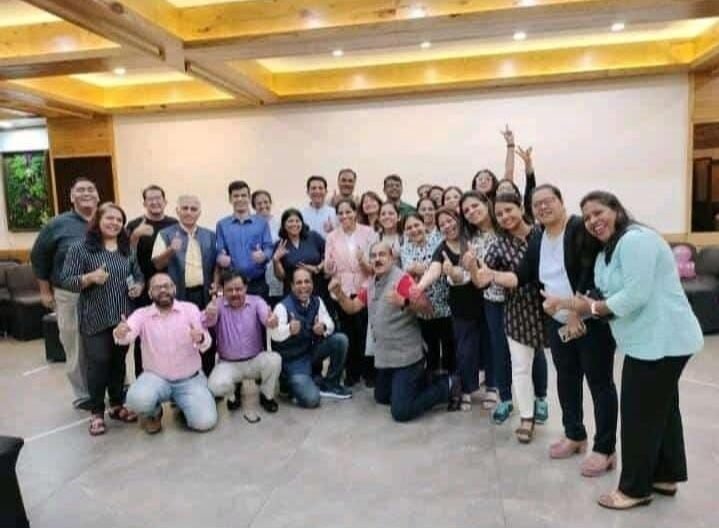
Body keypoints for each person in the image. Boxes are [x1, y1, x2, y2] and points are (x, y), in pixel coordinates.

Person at [543, 191, 703, 510]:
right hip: (650, 342)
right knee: (662, 409)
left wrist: (591, 308)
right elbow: (600, 294)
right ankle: (665, 475)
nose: (593, 221)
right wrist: (569, 304)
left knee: (638, 414)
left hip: (663, 341)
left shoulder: (635, 240)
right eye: (587, 217)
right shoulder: (608, 250)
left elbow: (635, 296)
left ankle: (635, 489)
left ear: (616, 210)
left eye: (598, 212)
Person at [508, 184, 618, 477]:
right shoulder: (538, 237)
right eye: (537, 205)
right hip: (557, 321)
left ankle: (605, 449)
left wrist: (575, 311)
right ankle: (574, 435)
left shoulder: (579, 227)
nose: (543, 207)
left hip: (589, 319)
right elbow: (524, 274)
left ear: (561, 201)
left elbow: (591, 270)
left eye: (548, 201)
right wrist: (490, 275)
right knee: (567, 380)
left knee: (600, 383)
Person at [331, 241, 462, 422]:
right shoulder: (372, 284)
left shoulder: (402, 280)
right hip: (388, 359)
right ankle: (423, 380)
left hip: (408, 358)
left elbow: (427, 307)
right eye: (373, 256)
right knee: (382, 397)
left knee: (401, 412)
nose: (377, 259)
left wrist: (404, 301)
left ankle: (446, 386)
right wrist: (339, 294)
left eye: (382, 255)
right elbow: (352, 307)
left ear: (392, 258)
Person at [469, 193, 549, 441]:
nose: (505, 217)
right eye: (500, 214)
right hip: (517, 310)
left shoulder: (543, 235)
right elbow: (482, 281)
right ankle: (526, 417)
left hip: (550, 308)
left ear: (521, 208)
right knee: (520, 366)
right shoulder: (498, 245)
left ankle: (544, 401)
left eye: (509, 210)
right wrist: (473, 266)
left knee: (546, 359)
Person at [61, 202, 144, 436]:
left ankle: (116, 405)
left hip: (122, 317)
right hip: (94, 317)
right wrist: (88, 278)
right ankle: (97, 412)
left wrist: (138, 287)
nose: (114, 223)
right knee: (98, 363)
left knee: (118, 362)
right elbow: (66, 280)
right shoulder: (81, 248)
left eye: (119, 220)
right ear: (97, 220)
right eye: (109, 218)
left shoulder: (127, 249)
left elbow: (138, 275)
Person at [114, 273, 217, 434]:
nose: (163, 290)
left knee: (205, 422)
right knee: (136, 400)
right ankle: (153, 413)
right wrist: (120, 333)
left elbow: (206, 342)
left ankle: (184, 406)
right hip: (156, 379)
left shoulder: (190, 309)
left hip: (189, 380)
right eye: (157, 287)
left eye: (167, 286)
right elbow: (126, 335)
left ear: (174, 289)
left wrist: (201, 337)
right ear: (150, 293)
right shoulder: (141, 314)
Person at [30, 176, 99, 410]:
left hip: (103, 294)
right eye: (80, 190)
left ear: (98, 196)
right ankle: (84, 394)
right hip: (69, 295)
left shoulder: (107, 220)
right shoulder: (57, 225)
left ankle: (116, 386)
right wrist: (44, 291)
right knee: (74, 344)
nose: (86, 193)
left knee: (108, 342)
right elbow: (38, 257)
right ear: (71, 197)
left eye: (91, 189)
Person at [414, 208, 482, 411]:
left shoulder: (472, 239)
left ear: (458, 220)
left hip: (483, 299)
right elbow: (434, 270)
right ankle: (466, 390)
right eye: (442, 224)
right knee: (464, 351)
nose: (447, 226)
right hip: (461, 305)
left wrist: (460, 270)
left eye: (450, 220)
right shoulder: (442, 248)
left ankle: (493, 389)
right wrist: (418, 288)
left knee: (487, 347)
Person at [151, 195, 218, 377]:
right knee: (181, 338)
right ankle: (184, 379)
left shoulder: (209, 235)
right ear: (177, 211)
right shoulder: (165, 234)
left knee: (207, 337)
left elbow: (216, 265)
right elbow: (157, 264)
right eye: (185, 208)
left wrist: (216, 284)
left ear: (199, 213)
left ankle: (208, 379)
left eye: (193, 209)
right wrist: (171, 250)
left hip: (204, 294)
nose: (189, 212)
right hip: (179, 296)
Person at [269, 268, 352, 407]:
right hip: (293, 362)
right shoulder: (282, 307)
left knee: (340, 340)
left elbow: (330, 324)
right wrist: (289, 329)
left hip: (310, 354)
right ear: (292, 286)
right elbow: (274, 335)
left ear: (312, 284)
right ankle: (287, 385)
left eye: (307, 281)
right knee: (312, 399)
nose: (303, 286)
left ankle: (330, 384)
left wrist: (323, 327)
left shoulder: (317, 301)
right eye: (299, 282)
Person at [204, 271, 282, 416]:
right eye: (229, 290)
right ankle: (233, 395)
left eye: (238, 289)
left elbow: (266, 317)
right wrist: (209, 314)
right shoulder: (217, 305)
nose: (234, 293)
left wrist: (271, 321)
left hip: (254, 360)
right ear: (223, 290)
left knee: (275, 360)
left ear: (245, 288)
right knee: (214, 386)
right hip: (228, 364)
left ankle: (266, 395)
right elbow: (207, 322)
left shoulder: (257, 301)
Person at [126, 185, 178, 376]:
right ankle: (143, 377)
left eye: (158, 198)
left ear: (165, 201)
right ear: (144, 203)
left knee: (172, 332)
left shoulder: (174, 224)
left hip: (170, 287)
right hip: (143, 288)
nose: (155, 202)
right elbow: (125, 256)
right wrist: (135, 236)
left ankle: (172, 375)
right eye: (150, 199)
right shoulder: (134, 225)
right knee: (144, 335)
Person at [324, 198, 376, 386]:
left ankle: (369, 373)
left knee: (365, 332)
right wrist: (329, 266)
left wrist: (363, 261)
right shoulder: (331, 236)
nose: (345, 216)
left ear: (355, 212)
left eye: (348, 211)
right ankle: (352, 372)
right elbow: (328, 268)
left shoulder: (369, 232)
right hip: (342, 289)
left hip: (365, 285)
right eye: (341, 213)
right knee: (348, 332)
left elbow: (374, 265)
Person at [460, 191, 501, 411]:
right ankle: (481, 387)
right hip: (482, 297)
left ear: (487, 203)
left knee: (500, 345)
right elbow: (474, 278)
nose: (471, 212)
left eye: (475, 206)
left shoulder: (504, 228)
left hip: (510, 296)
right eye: (466, 210)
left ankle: (495, 388)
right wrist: (471, 267)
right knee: (480, 344)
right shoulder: (471, 239)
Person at [400, 213, 455, 374]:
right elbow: (408, 272)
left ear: (424, 225)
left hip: (445, 303)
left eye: (417, 225)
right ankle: (433, 380)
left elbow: (441, 267)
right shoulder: (405, 249)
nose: (414, 230)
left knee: (449, 346)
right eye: (409, 228)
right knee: (430, 348)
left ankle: (451, 380)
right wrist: (425, 268)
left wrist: (420, 268)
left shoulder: (439, 242)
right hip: (422, 306)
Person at [216, 180, 273, 298]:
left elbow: (269, 247)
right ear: (230, 199)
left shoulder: (262, 223)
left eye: (243, 195)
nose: (240, 199)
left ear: (249, 198)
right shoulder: (222, 225)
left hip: (258, 283)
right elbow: (219, 251)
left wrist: (264, 255)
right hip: (232, 285)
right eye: (236, 196)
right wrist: (220, 258)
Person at [272, 208, 326, 298]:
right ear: (284, 225)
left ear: (302, 223)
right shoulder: (280, 245)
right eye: (290, 221)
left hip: (318, 289)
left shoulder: (313, 237)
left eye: (297, 221)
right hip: (293, 293)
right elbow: (281, 277)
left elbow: (329, 255)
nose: (294, 224)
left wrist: (318, 268)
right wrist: (276, 260)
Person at [252, 190, 284, 306]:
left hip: (277, 272)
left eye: (266, 202)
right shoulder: (250, 224)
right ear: (254, 206)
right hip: (257, 276)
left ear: (271, 203)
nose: (263, 206)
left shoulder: (279, 223)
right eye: (259, 203)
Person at [471, 125, 515, 201]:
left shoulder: (499, 199)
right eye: (480, 179)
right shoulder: (469, 201)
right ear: (475, 184)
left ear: (494, 183)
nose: (483, 182)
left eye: (488, 179)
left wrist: (510, 145)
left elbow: (509, 172)